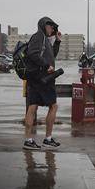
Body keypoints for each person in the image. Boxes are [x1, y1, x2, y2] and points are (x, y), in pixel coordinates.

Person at [23, 16, 61, 150]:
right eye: (50, 26)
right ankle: (48, 139)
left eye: (53, 27)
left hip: (36, 77)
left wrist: (57, 42)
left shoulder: (44, 39)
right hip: (43, 78)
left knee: (32, 107)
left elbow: (51, 56)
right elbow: (32, 54)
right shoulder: (39, 36)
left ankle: (28, 140)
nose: (52, 28)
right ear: (43, 25)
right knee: (53, 106)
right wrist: (46, 66)